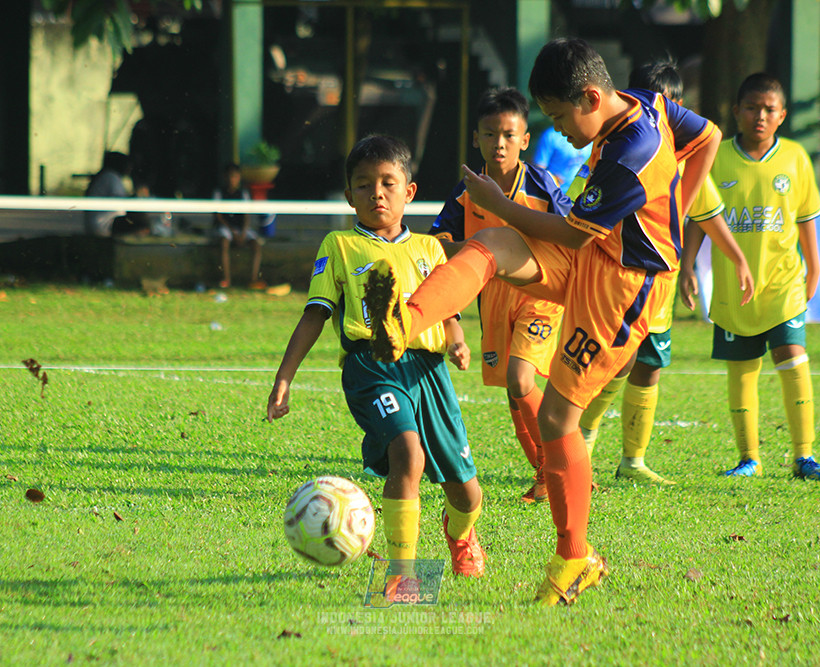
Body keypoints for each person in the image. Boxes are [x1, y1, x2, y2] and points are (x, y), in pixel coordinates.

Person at [364, 38, 721, 605]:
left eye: (559, 118)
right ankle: (403, 324)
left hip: (626, 284)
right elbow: (708, 137)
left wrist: (498, 200)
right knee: (495, 243)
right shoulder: (644, 101)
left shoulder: (632, 154)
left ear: (590, 95)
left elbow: (573, 232)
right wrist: (678, 207)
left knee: (557, 417)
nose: (559, 133)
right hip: (594, 256)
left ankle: (574, 559)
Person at [266, 135, 487, 591]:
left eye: (388, 183)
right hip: (371, 368)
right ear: (349, 196)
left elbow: (448, 311)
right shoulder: (341, 245)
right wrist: (284, 377)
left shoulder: (430, 249)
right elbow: (315, 314)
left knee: (468, 492)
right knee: (408, 455)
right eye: (364, 185)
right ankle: (402, 575)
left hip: (428, 371)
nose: (376, 193)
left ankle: (460, 533)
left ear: (409, 191)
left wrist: (457, 342)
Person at [576, 60, 755, 485]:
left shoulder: (683, 159)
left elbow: (704, 212)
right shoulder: (621, 155)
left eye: (677, 105)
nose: (675, 115)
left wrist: (735, 259)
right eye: (669, 105)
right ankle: (582, 437)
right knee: (614, 364)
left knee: (650, 365)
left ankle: (632, 461)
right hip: (622, 282)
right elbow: (580, 203)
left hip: (662, 286)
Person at [680, 73, 820, 482]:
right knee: (742, 370)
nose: (759, 116)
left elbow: (805, 222)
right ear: (736, 112)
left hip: (783, 283)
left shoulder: (796, 159)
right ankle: (749, 458)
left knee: (793, 361)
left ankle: (804, 457)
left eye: (769, 109)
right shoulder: (718, 159)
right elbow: (700, 216)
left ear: (782, 115)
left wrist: (813, 271)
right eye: (752, 107)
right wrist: (688, 265)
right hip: (734, 288)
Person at [429, 87, 573, 504]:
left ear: (525, 140)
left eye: (510, 135)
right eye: (491, 134)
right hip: (492, 301)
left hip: (539, 295)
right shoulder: (465, 192)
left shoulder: (543, 185)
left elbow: (571, 235)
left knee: (520, 377)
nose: (500, 143)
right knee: (514, 392)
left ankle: (561, 462)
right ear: (476, 138)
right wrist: (475, 255)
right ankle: (546, 471)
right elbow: (439, 246)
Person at [212, 163, 265, 289]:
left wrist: (243, 232)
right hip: (225, 228)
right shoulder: (219, 193)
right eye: (230, 177)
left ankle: (253, 279)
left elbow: (247, 216)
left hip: (241, 228)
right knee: (224, 242)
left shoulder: (243, 194)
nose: (233, 180)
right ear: (226, 177)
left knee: (256, 245)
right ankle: (226, 279)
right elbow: (219, 216)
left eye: (235, 177)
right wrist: (233, 232)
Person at [83, 151, 130, 237]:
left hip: (97, 223)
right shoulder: (111, 177)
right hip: (105, 223)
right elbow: (121, 201)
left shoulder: (105, 176)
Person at [533, 126, 590, 193]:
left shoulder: (590, 134)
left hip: (582, 192)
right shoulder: (551, 135)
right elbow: (538, 169)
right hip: (557, 193)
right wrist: (551, 178)